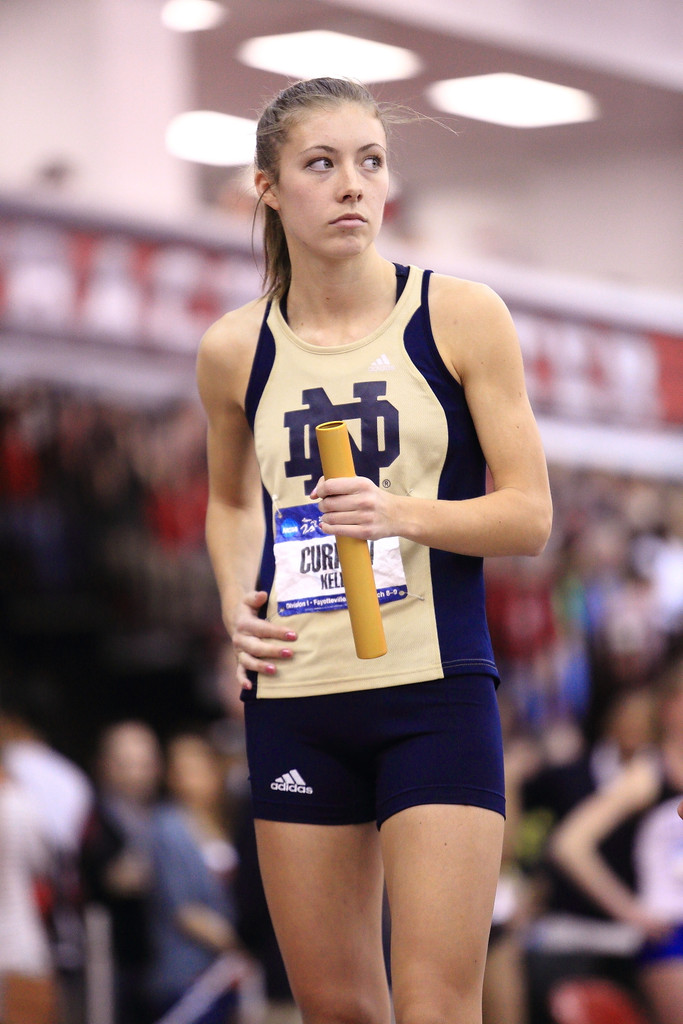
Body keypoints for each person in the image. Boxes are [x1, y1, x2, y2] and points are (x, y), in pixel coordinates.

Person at [197, 77, 553, 1024]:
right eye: (320, 164)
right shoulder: (233, 349)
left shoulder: (458, 314)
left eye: (370, 162)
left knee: (436, 1005)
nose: (352, 184)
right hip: (295, 700)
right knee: (337, 1009)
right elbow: (230, 500)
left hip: (432, 691)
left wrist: (401, 514)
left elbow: (528, 516)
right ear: (268, 187)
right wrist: (234, 599)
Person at [551, 657, 683, 1024]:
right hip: (671, 931)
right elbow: (570, 844)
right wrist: (630, 911)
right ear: (669, 706)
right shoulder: (648, 773)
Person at [79, 721, 163, 1024]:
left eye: (144, 764)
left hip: (161, 959)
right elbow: (98, 878)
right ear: (104, 765)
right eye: (126, 764)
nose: (136, 774)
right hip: (113, 957)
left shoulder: (165, 816)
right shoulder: (92, 819)